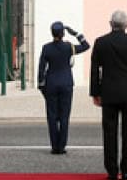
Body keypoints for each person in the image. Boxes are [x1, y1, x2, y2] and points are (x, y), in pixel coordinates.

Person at [89, 9, 127, 180]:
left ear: (110, 24)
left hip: (108, 93)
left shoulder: (100, 42)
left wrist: (95, 92)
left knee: (109, 133)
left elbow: (95, 70)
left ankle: (112, 171)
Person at [36, 20, 90, 154]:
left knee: (52, 116)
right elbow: (86, 46)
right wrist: (76, 33)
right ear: (63, 33)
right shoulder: (69, 47)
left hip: (51, 83)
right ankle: (62, 145)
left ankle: (55, 146)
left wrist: (41, 85)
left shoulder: (46, 48)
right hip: (66, 83)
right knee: (65, 115)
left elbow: (41, 68)